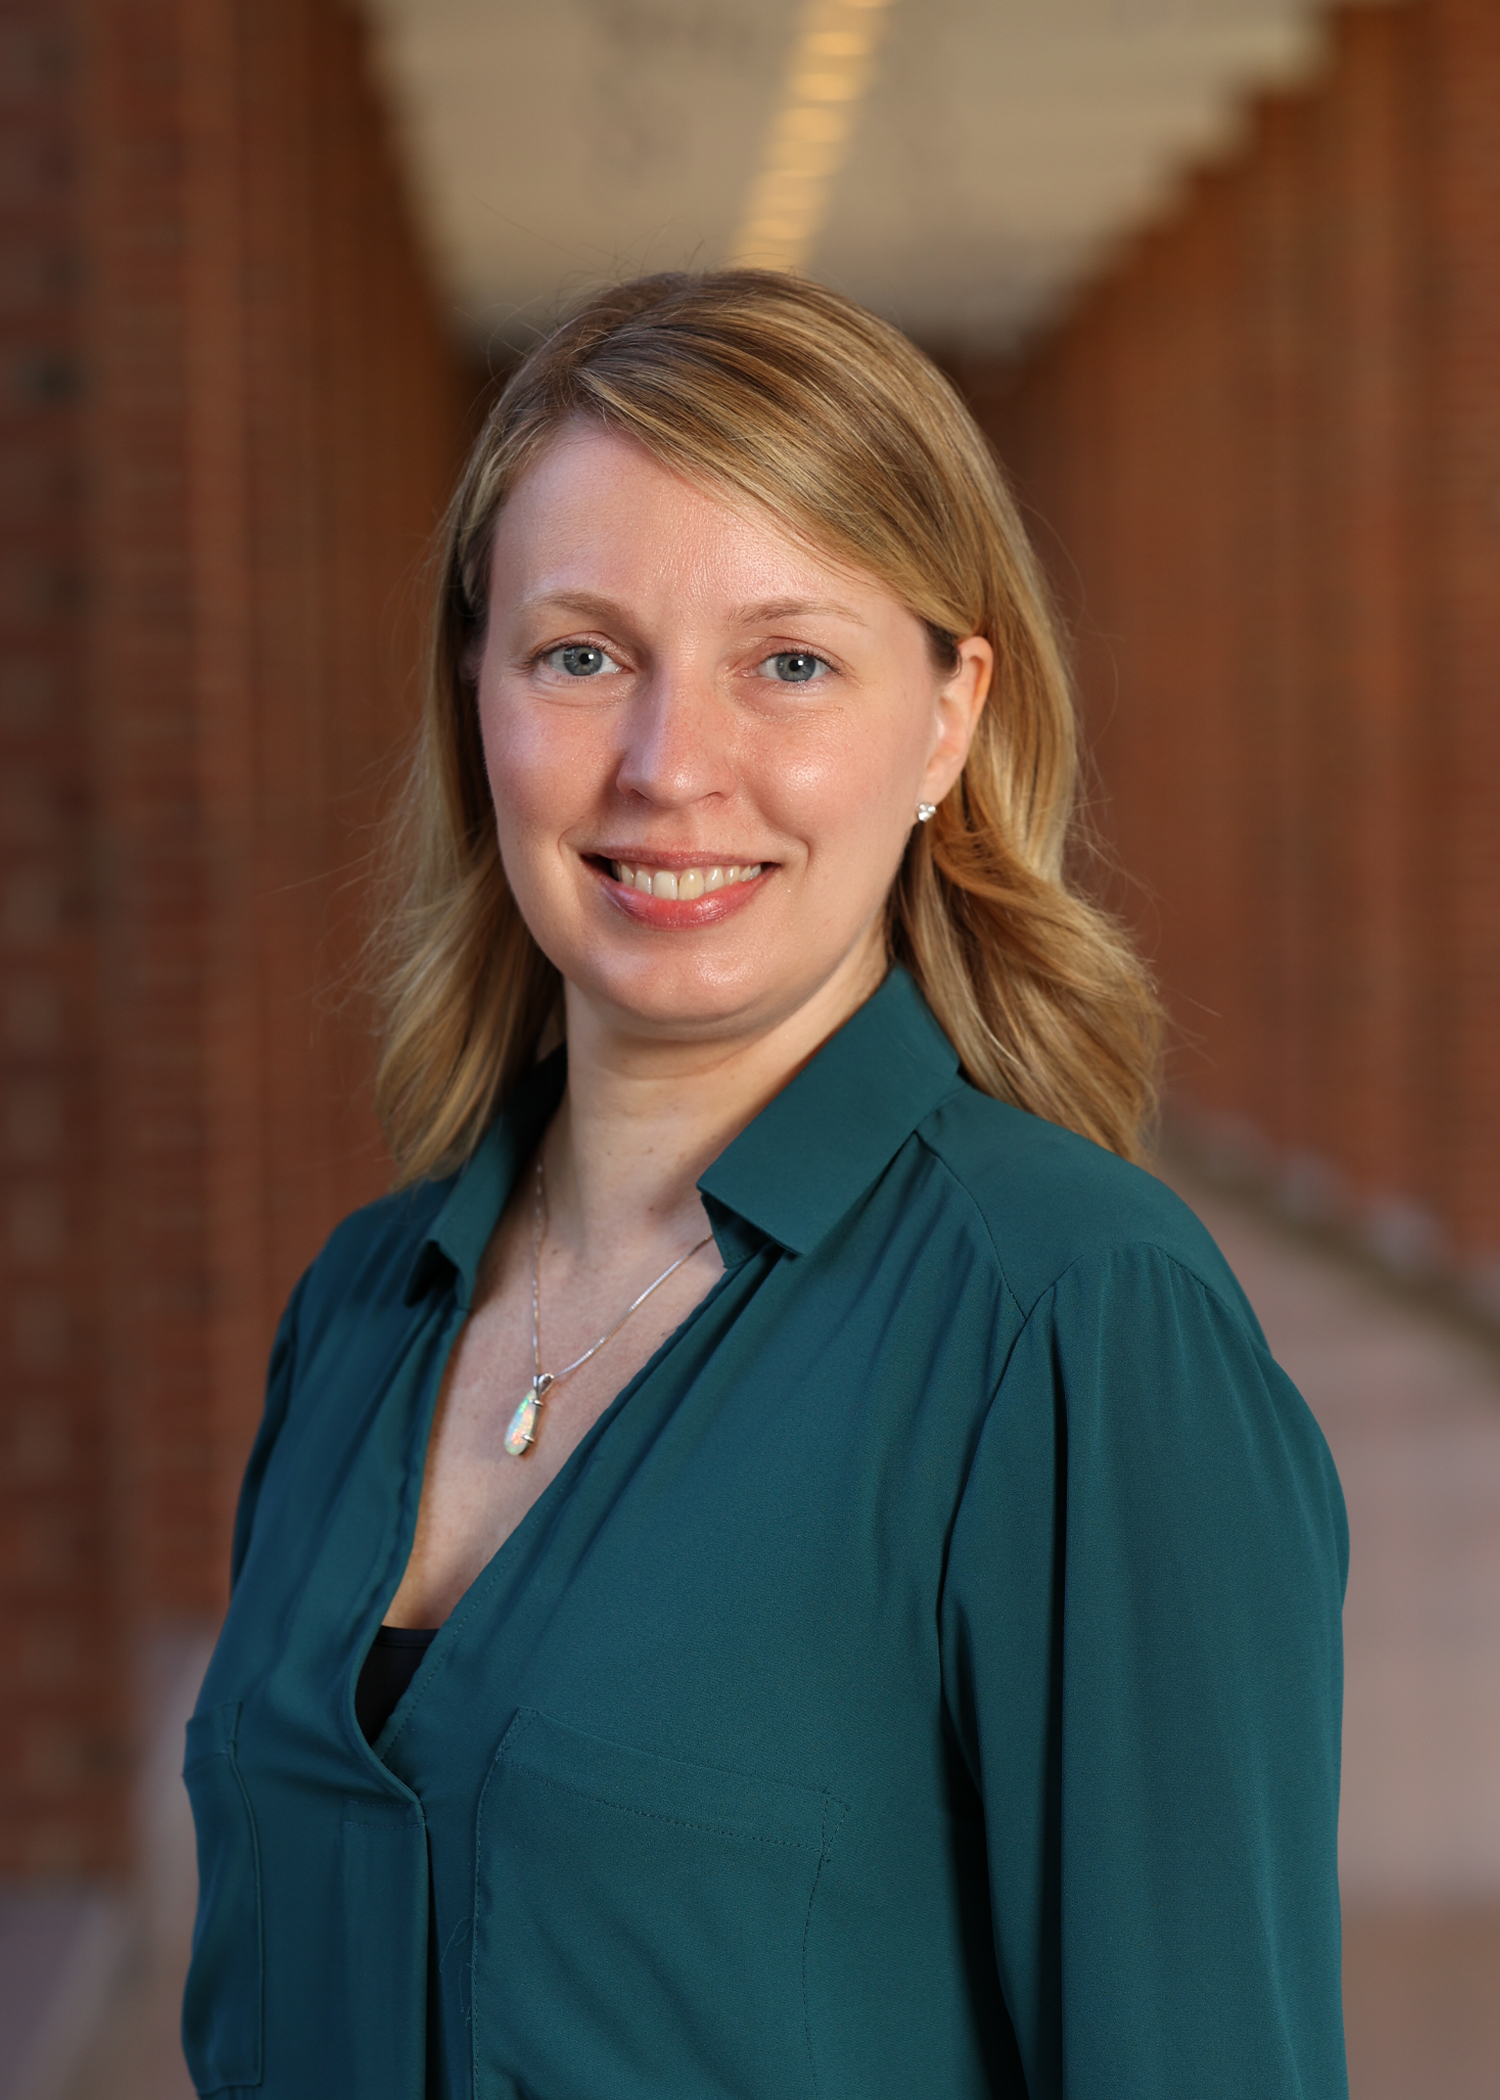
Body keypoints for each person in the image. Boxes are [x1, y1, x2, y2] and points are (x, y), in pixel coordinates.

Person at [181, 270, 1348, 2100]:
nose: (669, 768)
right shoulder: (356, 1310)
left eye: (787, 661)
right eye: (583, 655)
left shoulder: (1075, 1327)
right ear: (475, 692)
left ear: (947, 720)